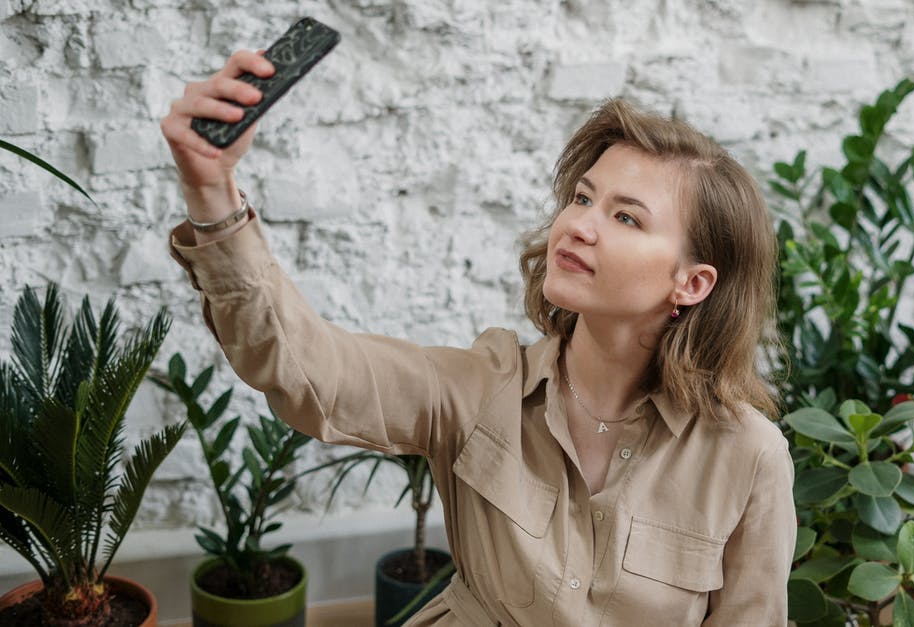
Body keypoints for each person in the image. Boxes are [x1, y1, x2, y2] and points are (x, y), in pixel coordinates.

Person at [160, 49, 796, 626]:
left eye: (625, 216)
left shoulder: (748, 455)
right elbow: (312, 373)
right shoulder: (481, 387)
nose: (577, 226)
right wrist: (212, 193)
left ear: (692, 283)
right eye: (582, 197)